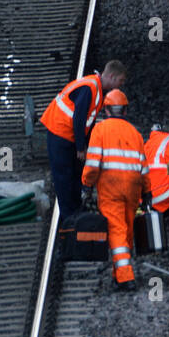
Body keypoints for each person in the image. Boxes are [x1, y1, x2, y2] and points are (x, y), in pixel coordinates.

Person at [40, 60, 127, 222]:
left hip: (67, 134)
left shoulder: (97, 90)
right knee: (64, 176)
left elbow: (88, 121)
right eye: (120, 81)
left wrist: (88, 145)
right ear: (112, 76)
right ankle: (69, 217)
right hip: (60, 132)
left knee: (74, 173)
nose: (120, 85)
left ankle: (75, 211)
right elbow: (79, 119)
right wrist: (81, 148)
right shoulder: (90, 88)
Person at [81, 89, 150, 289]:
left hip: (111, 188)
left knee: (117, 230)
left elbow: (93, 164)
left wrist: (86, 185)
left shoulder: (100, 130)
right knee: (126, 229)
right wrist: (147, 192)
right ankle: (119, 273)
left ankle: (126, 276)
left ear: (106, 111)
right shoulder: (135, 133)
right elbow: (144, 167)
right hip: (132, 187)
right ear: (125, 111)